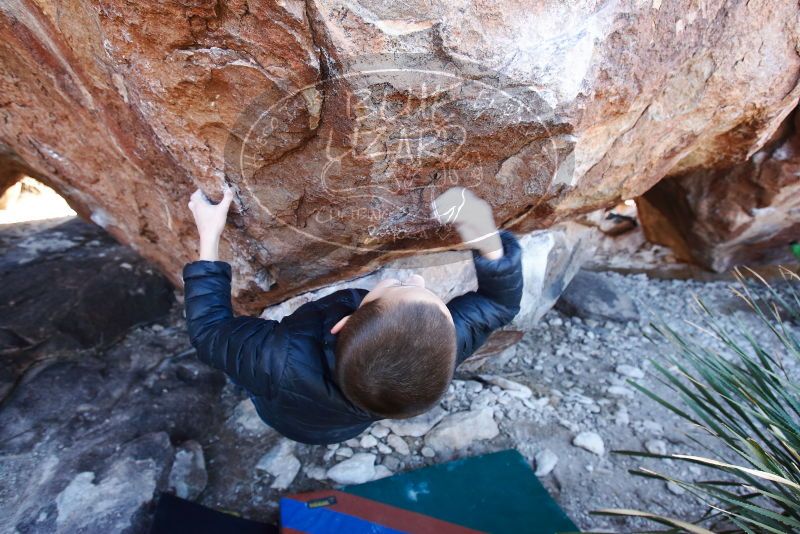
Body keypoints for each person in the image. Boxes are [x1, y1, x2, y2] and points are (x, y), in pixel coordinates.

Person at [183, 186, 523, 445]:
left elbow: (210, 332)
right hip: (342, 428)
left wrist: (209, 233)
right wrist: (485, 236)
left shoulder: (276, 357)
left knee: (248, 379)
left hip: (281, 412)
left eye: (395, 288)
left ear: (342, 325)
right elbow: (498, 305)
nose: (415, 278)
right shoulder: (440, 353)